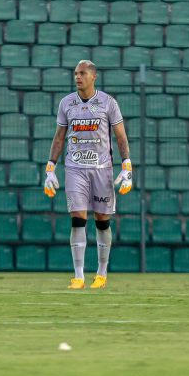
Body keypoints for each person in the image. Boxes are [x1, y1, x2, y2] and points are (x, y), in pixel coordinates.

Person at [44, 60, 132, 290]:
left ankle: (101, 273)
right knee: (77, 219)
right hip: (75, 169)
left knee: (102, 222)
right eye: (75, 73)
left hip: (102, 169)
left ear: (94, 76)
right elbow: (59, 137)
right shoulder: (67, 103)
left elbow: (120, 136)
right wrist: (50, 168)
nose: (77, 77)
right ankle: (79, 276)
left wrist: (127, 166)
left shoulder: (107, 103)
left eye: (82, 73)